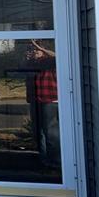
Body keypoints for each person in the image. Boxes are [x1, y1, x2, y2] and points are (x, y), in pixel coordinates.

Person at [26, 40, 60, 170]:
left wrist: (42, 49)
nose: (34, 52)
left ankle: (55, 161)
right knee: (39, 131)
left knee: (51, 132)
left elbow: (57, 56)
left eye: (37, 50)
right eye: (32, 50)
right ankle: (44, 159)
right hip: (37, 100)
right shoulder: (33, 64)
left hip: (50, 100)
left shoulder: (49, 62)